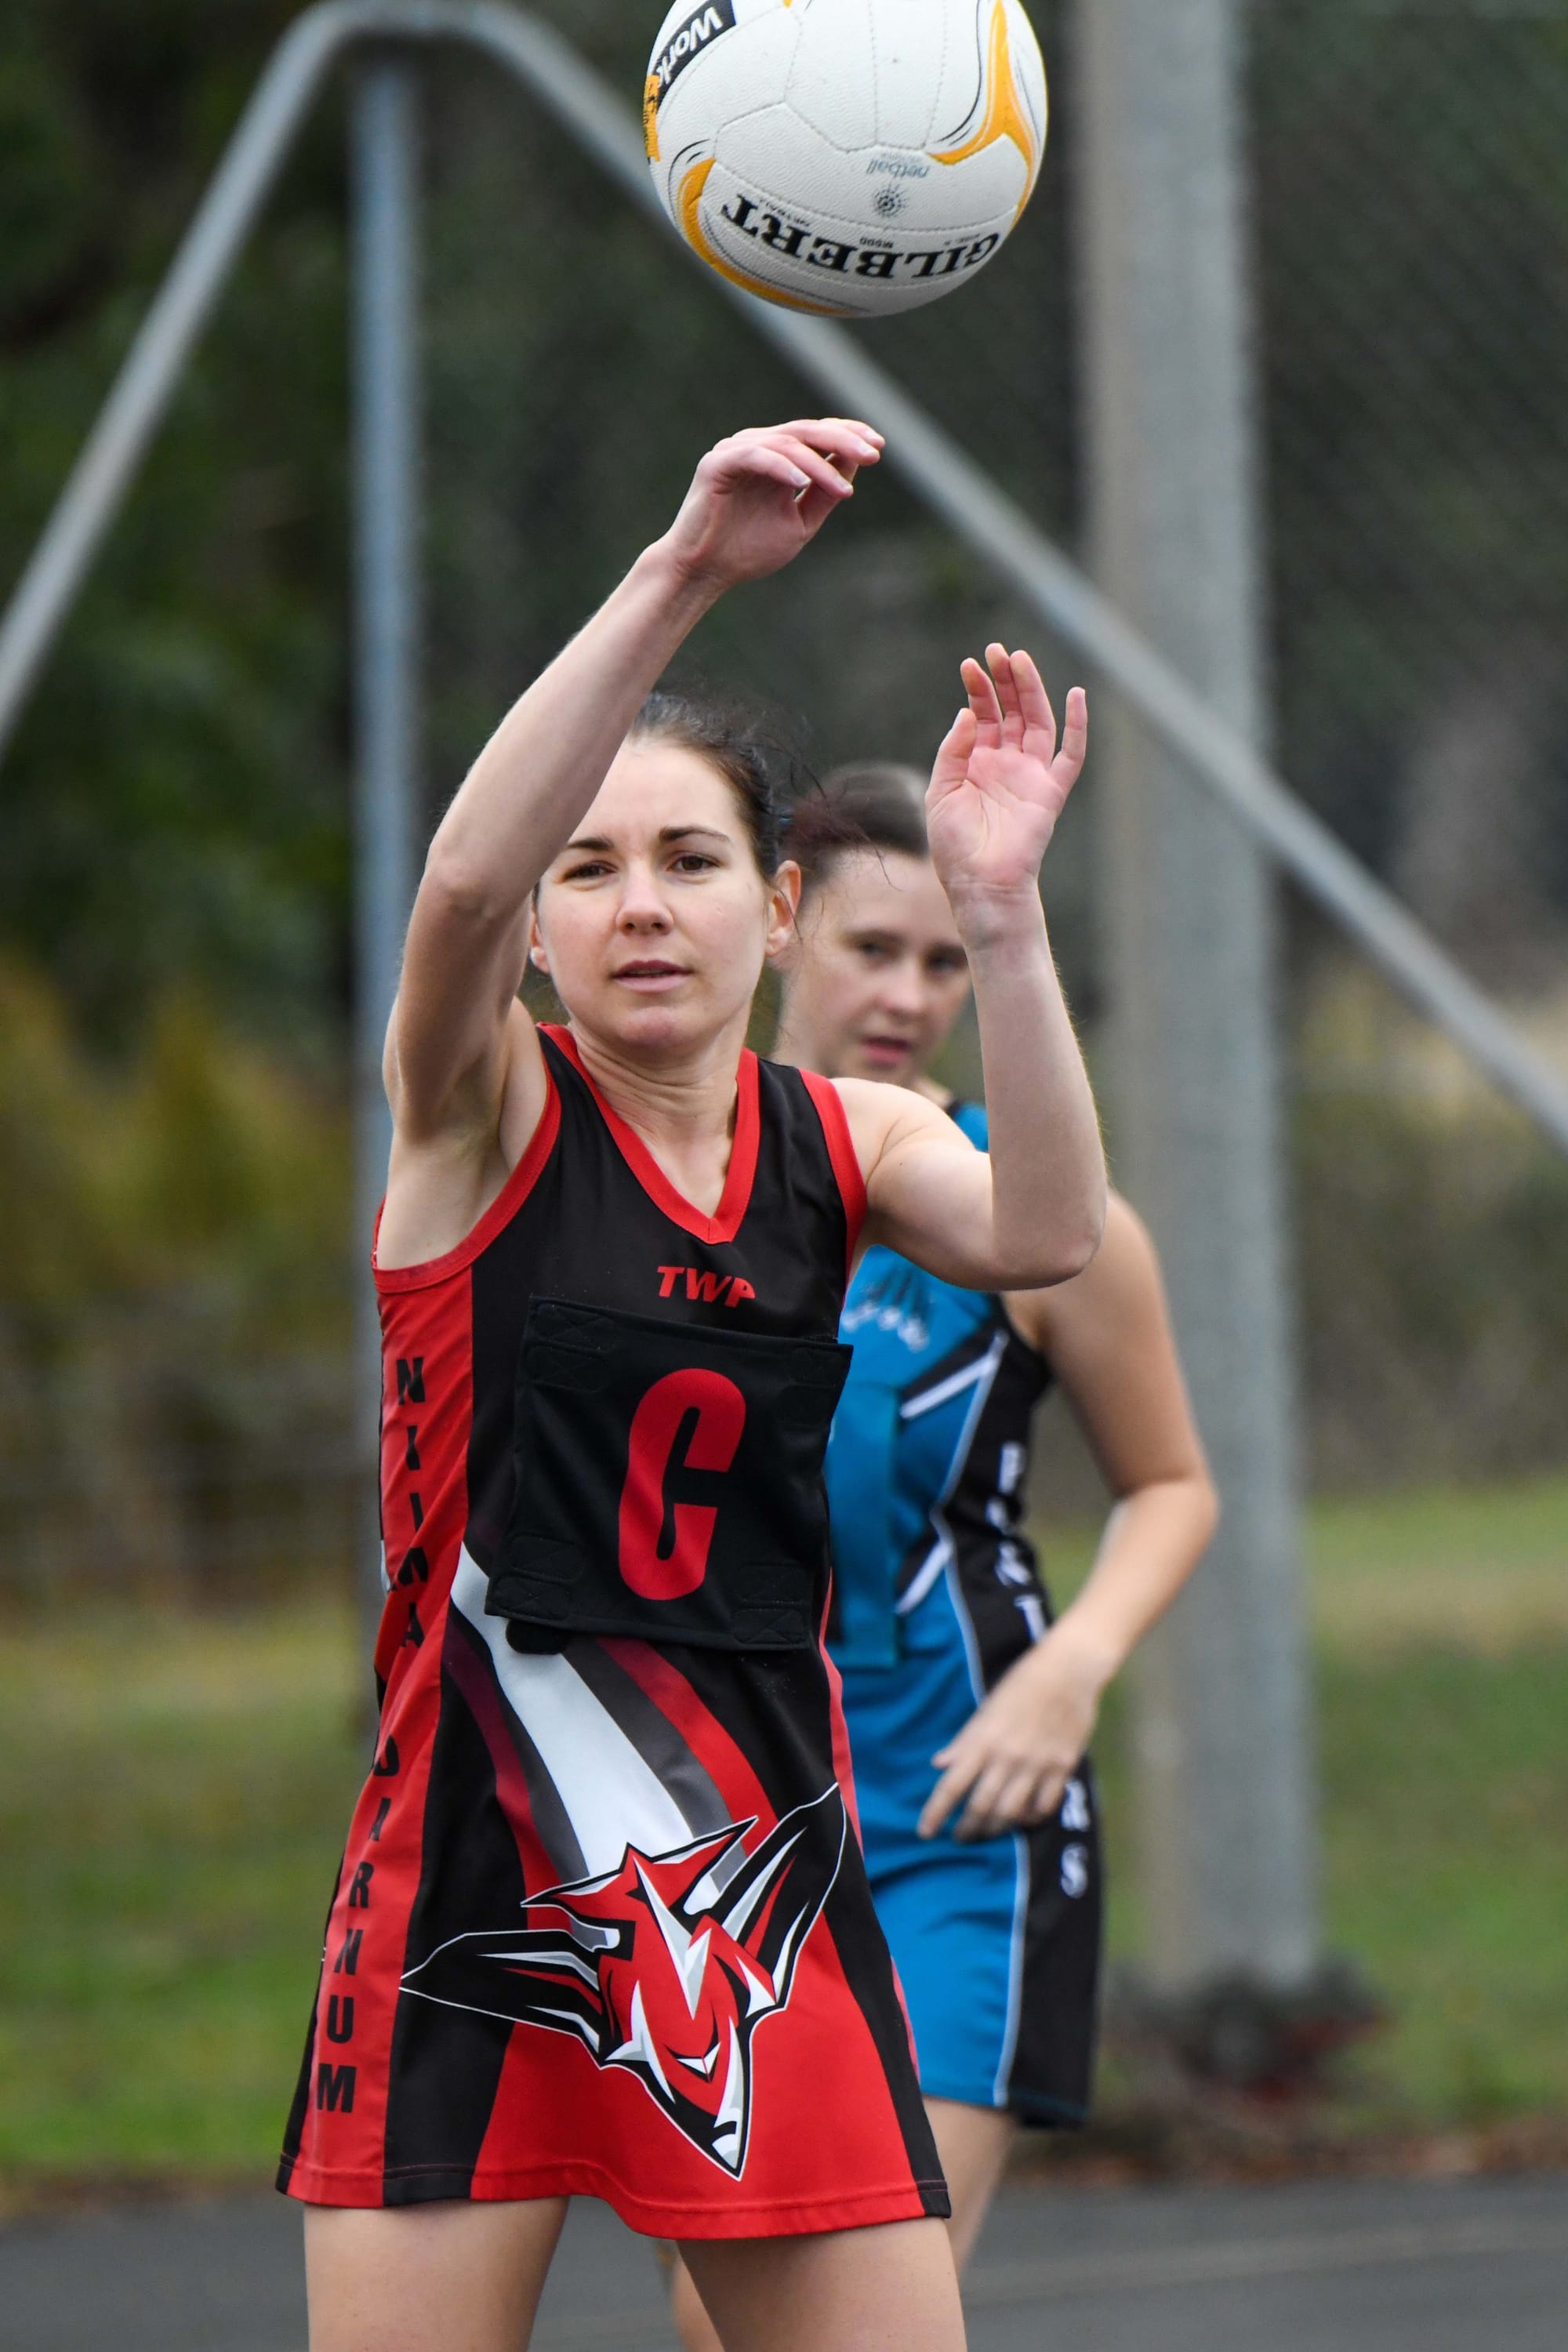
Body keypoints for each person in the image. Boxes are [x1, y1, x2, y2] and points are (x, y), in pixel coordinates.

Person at [277, 417, 1107, 2352]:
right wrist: (684, 569)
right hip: (470, 1889)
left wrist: (1003, 915)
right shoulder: (481, 1118)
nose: (637, 901)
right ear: (546, 933)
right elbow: (459, 892)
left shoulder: (849, 1141)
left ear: (780, 911)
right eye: (594, 869)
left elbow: (1054, 1230)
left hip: (751, 1908)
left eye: (688, 858)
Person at [666, 763, 1217, 2350]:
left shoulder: (1037, 1218)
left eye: (944, 959)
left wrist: (1072, 1668)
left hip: (954, 1826)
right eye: (870, 950)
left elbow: (1172, 1483)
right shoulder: (646, 1192)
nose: (908, 994)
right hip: (703, 1834)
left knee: (835, 2304)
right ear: (777, 928)